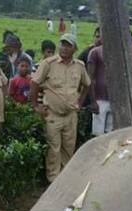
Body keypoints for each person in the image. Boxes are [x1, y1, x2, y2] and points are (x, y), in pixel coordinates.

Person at [31, 34, 90, 183]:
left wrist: (80, 103)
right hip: (52, 114)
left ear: (74, 49)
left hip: (71, 115)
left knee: (68, 148)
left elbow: (87, 85)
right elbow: (34, 83)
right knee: (53, 149)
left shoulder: (79, 66)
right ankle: (53, 181)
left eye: (68, 45)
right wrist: (36, 106)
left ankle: (65, 180)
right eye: (62, 44)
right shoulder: (48, 64)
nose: (64, 48)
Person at [87, 39, 111, 136]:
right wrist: (93, 101)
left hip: (114, 99)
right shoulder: (95, 52)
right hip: (99, 99)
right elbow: (90, 78)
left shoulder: (118, 54)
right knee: (98, 134)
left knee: (111, 133)